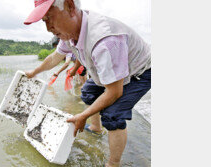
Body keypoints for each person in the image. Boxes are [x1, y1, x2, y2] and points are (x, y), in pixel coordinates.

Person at [24, 0, 151, 167]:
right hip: (111, 69)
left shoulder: (105, 40)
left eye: (49, 18)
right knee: (88, 92)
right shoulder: (68, 33)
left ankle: (113, 163)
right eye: (44, 21)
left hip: (140, 71)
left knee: (113, 113)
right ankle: (96, 127)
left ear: (69, 7)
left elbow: (114, 92)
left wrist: (82, 116)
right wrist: (34, 72)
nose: (48, 28)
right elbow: (56, 57)